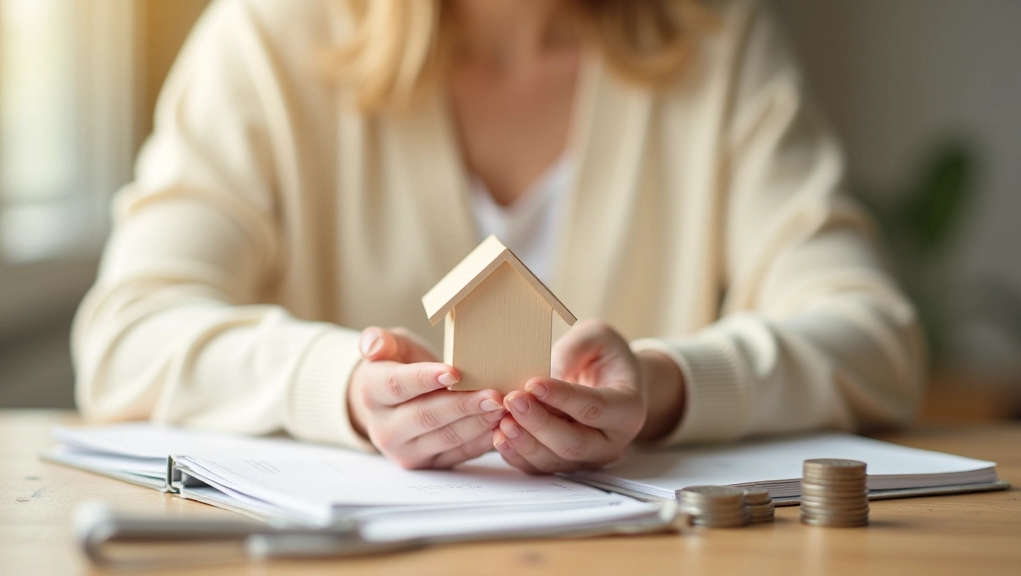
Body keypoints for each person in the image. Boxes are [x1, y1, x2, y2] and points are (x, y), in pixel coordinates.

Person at [72, 0, 925, 474]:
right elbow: (126, 334)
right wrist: (340, 387)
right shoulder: (265, 38)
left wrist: (664, 388)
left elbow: (874, 336)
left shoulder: (719, 42)